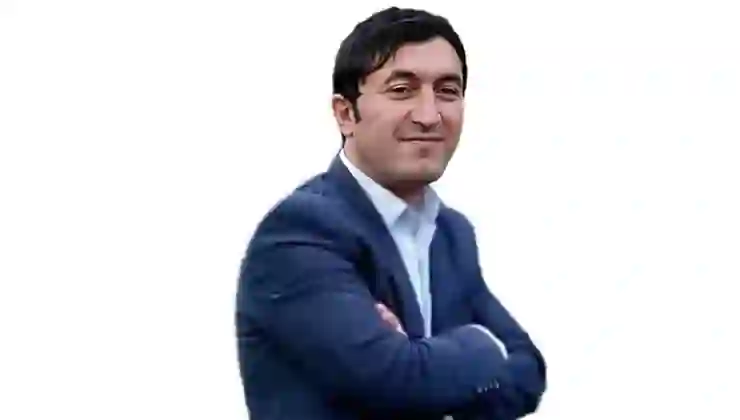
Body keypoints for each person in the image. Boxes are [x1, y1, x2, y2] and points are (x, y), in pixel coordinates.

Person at [235, 7, 547, 420]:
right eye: (402, 90)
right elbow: (396, 380)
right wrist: (483, 346)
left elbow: (528, 372)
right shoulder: (301, 232)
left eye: (447, 91)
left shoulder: (450, 233)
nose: (429, 115)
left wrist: (425, 363)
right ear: (346, 114)